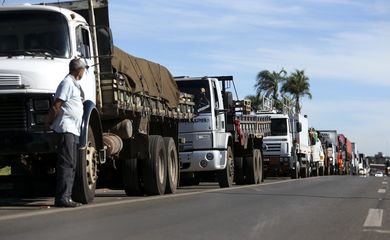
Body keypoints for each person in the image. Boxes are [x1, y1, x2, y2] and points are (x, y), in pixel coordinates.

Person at [48, 58, 86, 208]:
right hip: (66, 129)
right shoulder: (67, 83)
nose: (84, 72)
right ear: (79, 70)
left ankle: (67, 196)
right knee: (67, 163)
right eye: (83, 69)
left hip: (73, 129)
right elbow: (56, 106)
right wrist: (49, 123)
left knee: (72, 163)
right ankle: (62, 198)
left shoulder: (74, 84)